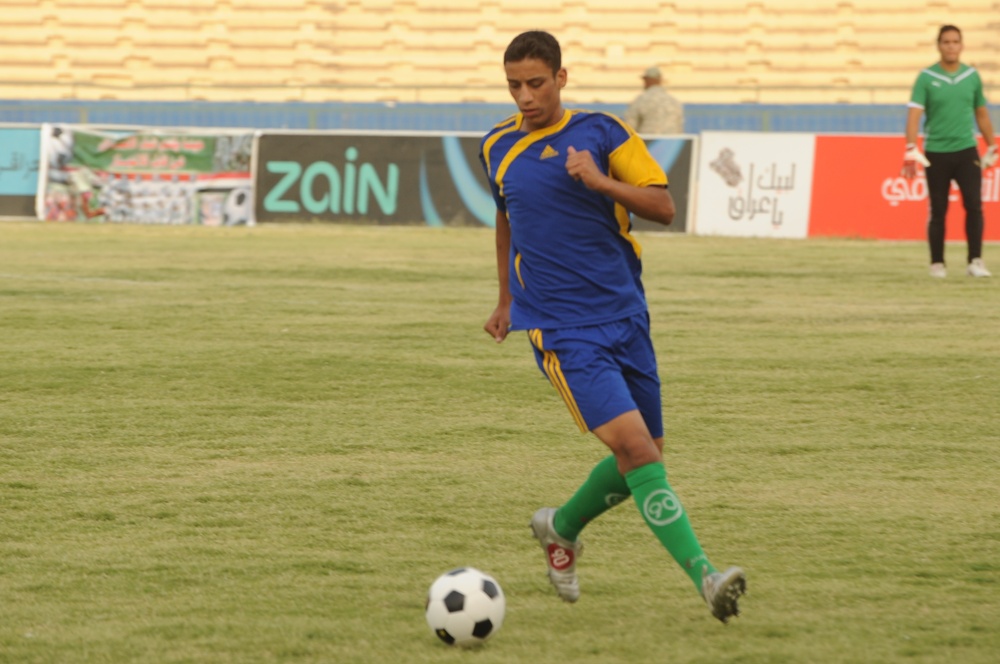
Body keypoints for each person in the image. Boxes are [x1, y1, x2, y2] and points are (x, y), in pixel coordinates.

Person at [479, 30, 746, 624]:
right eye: (514, 85)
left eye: (536, 83)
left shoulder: (603, 132)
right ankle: (706, 577)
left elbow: (663, 207)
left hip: (625, 313)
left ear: (561, 79)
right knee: (633, 448)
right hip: (559, 326)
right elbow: (507, 218)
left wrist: (599, 181)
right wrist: (503, 298)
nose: (524, 96)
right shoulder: (496, 146)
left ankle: (561, 527)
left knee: (647, 455)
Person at [903, 24, 998, 278]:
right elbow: (914, 116)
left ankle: (975, 261)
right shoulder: (926, 77)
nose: (951, 46)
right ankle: (937, 264)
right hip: (936, 152)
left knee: (974, 205)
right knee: (938, 209)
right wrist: (911, 148)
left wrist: (992, 146)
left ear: (962, 45)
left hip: (967, 151)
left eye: (955, 41)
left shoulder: (971, 77)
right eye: (946, 42)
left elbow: (981, 113)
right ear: (939, 45)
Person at [624, 66, 685, 135]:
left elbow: (630, 125)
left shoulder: (641, 100)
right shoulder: (673, 101)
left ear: (647, 80)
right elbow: (679, 126)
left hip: (648, 142)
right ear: (660, 80)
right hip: (672, 143)